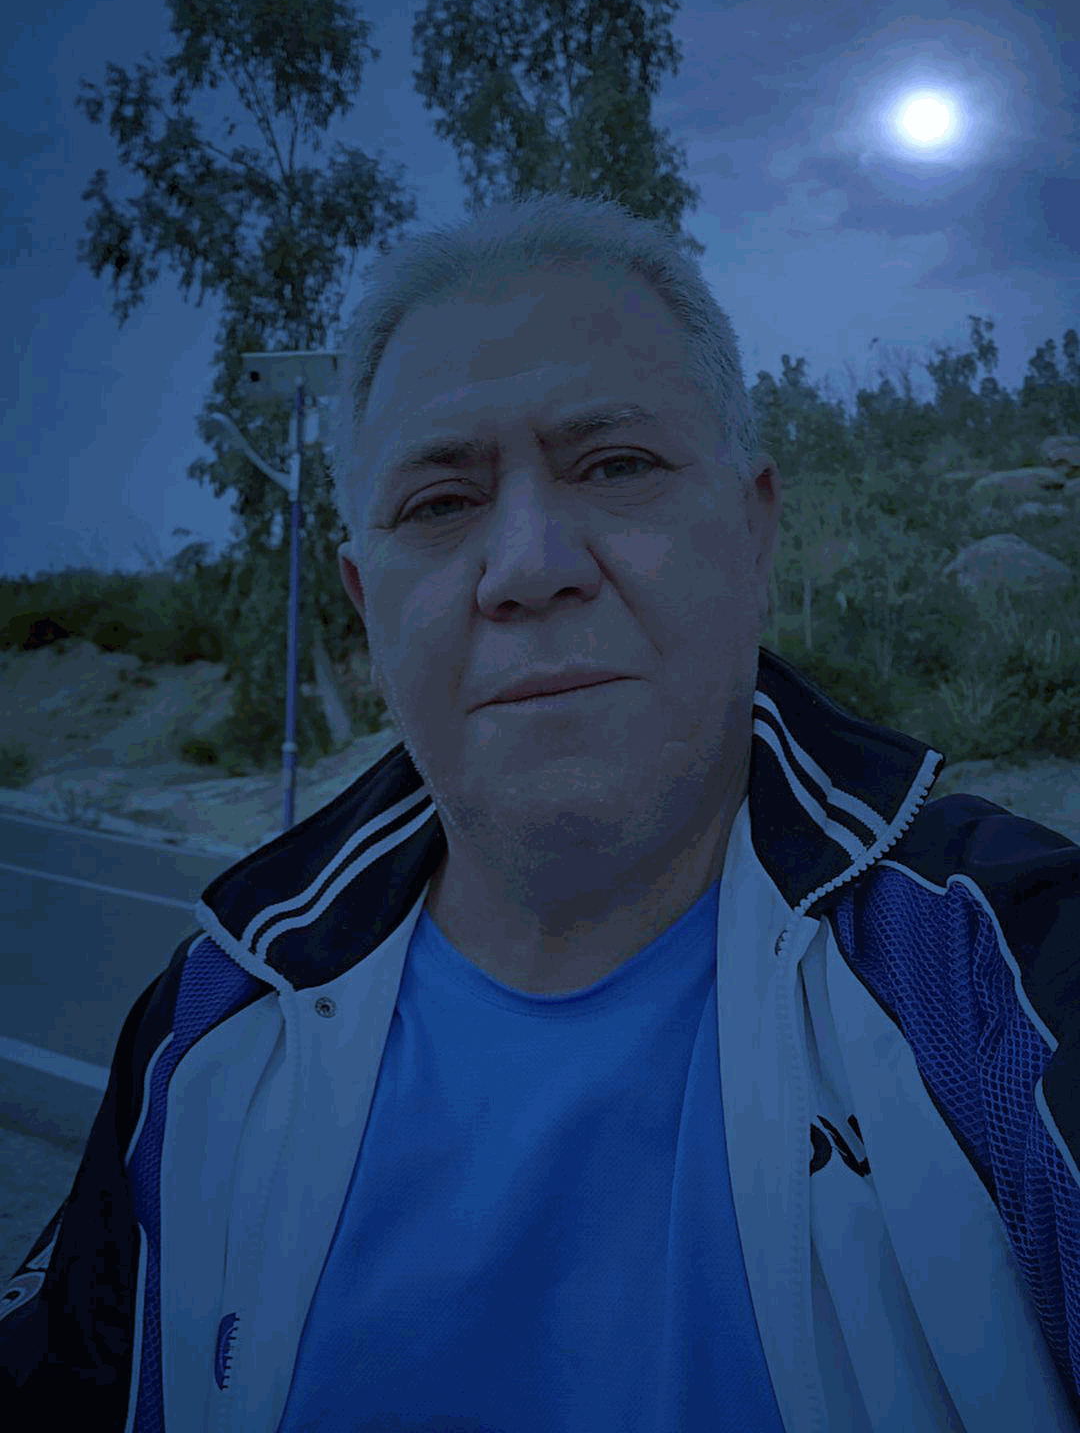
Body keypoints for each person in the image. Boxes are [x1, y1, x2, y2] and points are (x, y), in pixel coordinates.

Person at [3, 191, 1079, 1433]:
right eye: (439, 504)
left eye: (616, 467)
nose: (527, 567)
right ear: (363, 601)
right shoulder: (208, 1026)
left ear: (754, 530)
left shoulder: (995, 980)